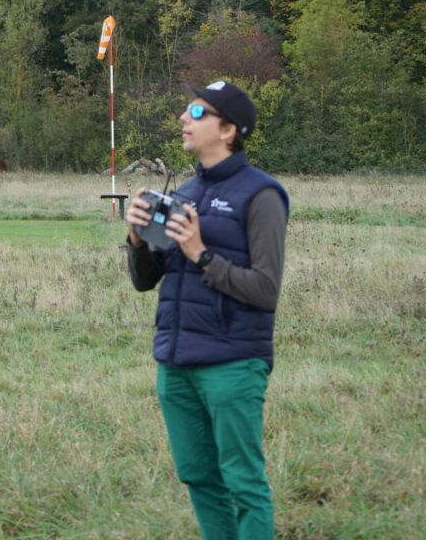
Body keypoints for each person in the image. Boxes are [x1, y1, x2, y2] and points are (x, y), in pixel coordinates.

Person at [125, 81, 288, 539]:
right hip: (175, 362)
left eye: (197, 111)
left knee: (243, 482)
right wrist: (137, 239)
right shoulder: (186, 191)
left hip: (232, 363)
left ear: (229, 130)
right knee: (198, 476)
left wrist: (201, 254)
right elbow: (145, 280)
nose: (183, 117)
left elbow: (265, 289)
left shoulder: (262, 196)